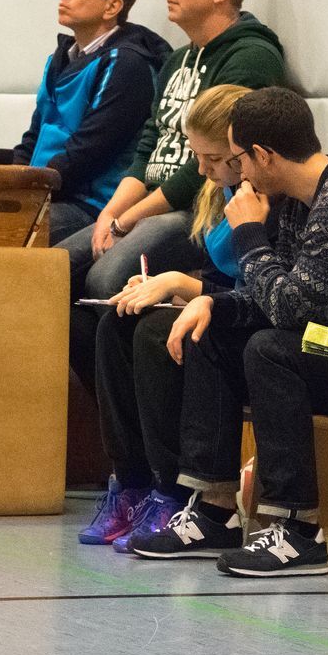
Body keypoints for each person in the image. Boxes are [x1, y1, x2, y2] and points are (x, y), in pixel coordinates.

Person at [130, 87, 328, 578]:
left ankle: (298, 529)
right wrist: (211, 301)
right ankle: (214, 510)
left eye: (238, 159)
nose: (238, 176)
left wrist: (250, 235)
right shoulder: (300, 197)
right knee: (210, 331)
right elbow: (275, 296)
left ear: (263, 155)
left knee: (270, 349)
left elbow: (288, 309)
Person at [57, 0, 285, 385]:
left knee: (106, 283)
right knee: (49, 273)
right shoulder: (177, 59)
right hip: (153, 204)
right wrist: (112, 212)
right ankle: (108, 412)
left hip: (200, 208)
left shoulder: (252, 56)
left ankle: (137, 409)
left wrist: (128, 219)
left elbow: (207, 169)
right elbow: (149, 147)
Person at [78, 84, 253, 550]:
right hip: (221, 306)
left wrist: (178, 284)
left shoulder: (265, 198)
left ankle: (171, 489)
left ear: (244, 152)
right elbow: (219, 275)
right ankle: (130, 482)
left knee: (156, 333)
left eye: (213, 158)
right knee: (118, 320)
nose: (202, 169)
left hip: (252, 318)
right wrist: (162, 289)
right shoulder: (218, 192)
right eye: (197, 156)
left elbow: (258, 290)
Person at [12, 0, 169, 244]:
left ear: (112, 7)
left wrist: (27, 193)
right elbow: (34, 135)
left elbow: (90, 152)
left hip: (90, 203)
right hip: (46, 192)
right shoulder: (60, 58)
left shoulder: (127, 64)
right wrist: (9, 186)